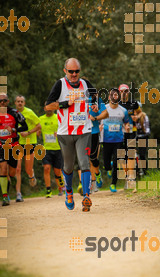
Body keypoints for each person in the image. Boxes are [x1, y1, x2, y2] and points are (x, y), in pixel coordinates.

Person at [45, 57, 97, 212]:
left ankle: (86, 196)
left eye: (77, 71)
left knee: (84, 163)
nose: (74, 74)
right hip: (65, 133)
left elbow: (95, 98)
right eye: (71, 71)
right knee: (67, 166)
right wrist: (65, 103)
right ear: (65, 71)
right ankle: (68, 191)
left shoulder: (86, 84)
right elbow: (48, 106)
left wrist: (95, 105)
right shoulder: (60, 84)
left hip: (84, 131)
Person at [0, 93, 28, 206]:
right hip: (1, 145)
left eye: (4, 100)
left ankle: (7, 186)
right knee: (3, 168)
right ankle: (5, 197)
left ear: (8, 101)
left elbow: (25, 126)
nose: (2, 102)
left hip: (13, 145)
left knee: (11, 173)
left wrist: (13, 129)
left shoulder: (15, 113)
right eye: (0, 101)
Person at [101, 88, 129, 192]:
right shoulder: (104, 108)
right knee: (106, 163)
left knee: (117, 162)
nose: (114, 97)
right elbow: (98, 119)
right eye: (113, 95)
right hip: (106, 139)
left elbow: (126, 122)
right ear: (109, 97)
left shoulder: (123, 111)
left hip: (118, 140)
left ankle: (113, 184)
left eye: (117, 95)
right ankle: (108, 168)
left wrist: (127, 127)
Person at [15, 95, 41, 202]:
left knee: (28, 169)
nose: (20, 103)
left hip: (29, 143)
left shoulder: (29, 112)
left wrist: (28, 132)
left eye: (21, 101)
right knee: (18, 168)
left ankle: (32, 175)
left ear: (24, 103)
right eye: (18, 101)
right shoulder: (13, 114)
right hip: (17, 143)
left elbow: (39, 126)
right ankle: (18, 193)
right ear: (15, 103)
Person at [38, 106, 65, 198]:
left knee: (58, 171)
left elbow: (65, 128)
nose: (49, 109)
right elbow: (37, 130)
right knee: (46, 168)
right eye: (47, 107)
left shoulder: (58, 117)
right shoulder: (40, 119)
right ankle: (48, 190)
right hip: (46, 148)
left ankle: (60, 188)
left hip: (58, 148)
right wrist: (37, 132)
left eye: (50, 106)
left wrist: (59, 133)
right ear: (44, 108)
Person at [118, 84, 139, 189]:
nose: (124, 93)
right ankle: (127, 176)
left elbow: (139, 114)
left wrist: (136, 117)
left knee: (131, 153)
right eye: (122, 91)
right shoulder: (116, 104)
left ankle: (131, 177)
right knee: (122, 156)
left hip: (131, 131)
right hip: (119, 133)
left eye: (126, 91)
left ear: (128, 92)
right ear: (119, 92)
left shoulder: (134, 103)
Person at [89, 95, 108, 193]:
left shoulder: (96, 100)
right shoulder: (77, 100)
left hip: (94, 132)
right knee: (84, 159)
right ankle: (90, 183)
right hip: (81, 133)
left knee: (93, 158)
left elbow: (105, 114)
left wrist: (95, 117)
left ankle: (97, 174)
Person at [132, 103, 150, 175]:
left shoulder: (144, 116)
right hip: (134, 136)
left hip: (142, 136)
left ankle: (145, 172)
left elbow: (147, 129)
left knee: (142, 155)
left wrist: (145, 134)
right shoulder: (131, 117)